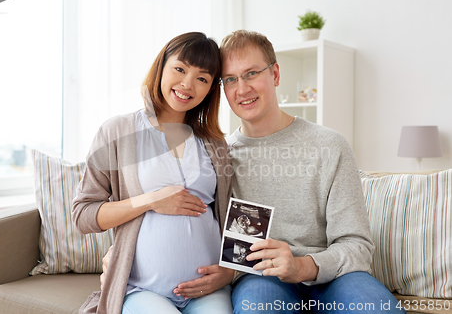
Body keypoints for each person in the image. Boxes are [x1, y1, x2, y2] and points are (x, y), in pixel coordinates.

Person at [102, 30, 405, 313]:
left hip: (334, 276)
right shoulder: (218, 155)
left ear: (274, 74)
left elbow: (357, 246)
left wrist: (303, 266)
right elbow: (189, 219)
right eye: (230, 79)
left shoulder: (329, 145)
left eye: (251, 74)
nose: (242, 88)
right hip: (259, 277)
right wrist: (124, 256)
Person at [72, 32, 234, 314]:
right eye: (180, 69)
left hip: (207, 289)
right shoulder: (119, 131)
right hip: (143, 289)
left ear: (210, 89)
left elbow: (233, 215)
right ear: (161, 67)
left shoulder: (214, 143)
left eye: (202, 78)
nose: (187, 84)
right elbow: (83, 215)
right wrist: (151, 200)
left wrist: (230, 271)